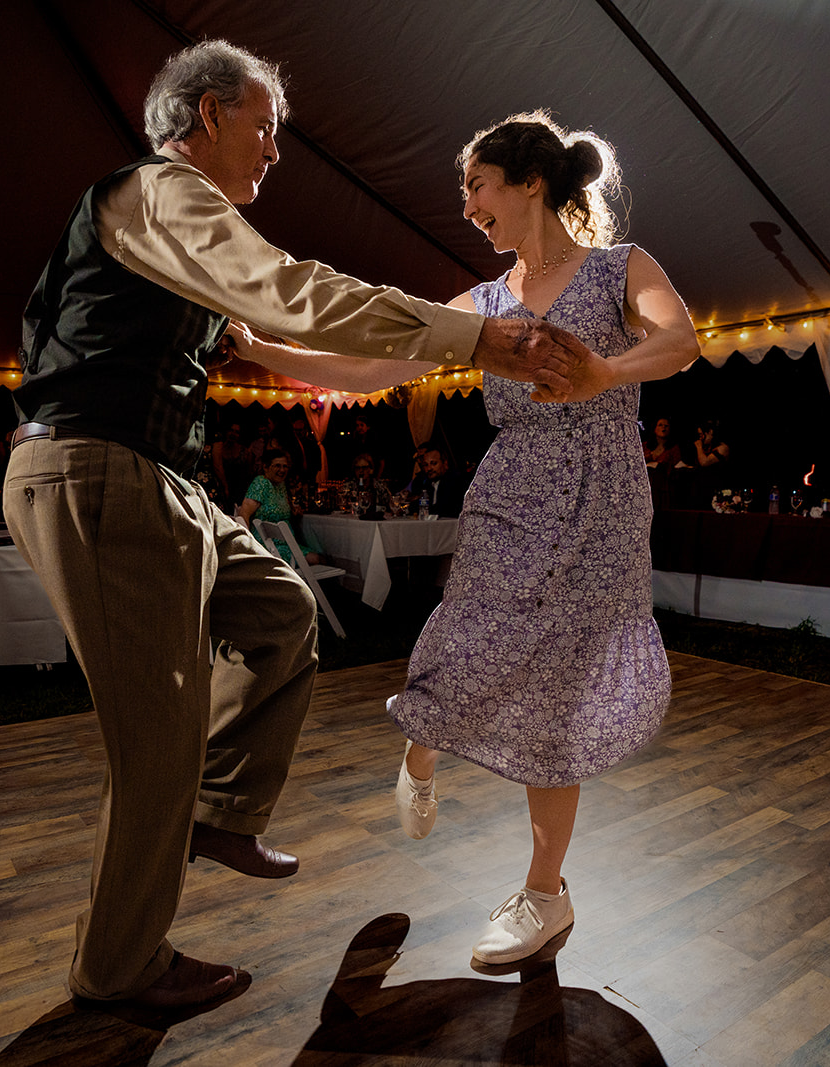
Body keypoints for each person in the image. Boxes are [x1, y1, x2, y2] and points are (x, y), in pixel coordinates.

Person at [3, 42, 600, 1013]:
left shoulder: (174, 249)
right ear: (204, 118)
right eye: (265, 125)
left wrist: (357, 353)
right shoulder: (163, 193)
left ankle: (219, 806)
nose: (276, 150)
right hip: (102, 470)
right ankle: (118, 966)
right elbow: (295, 289)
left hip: (156, 477)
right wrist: (477, 336)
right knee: (156, 740)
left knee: (283, 607)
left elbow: (289, 331)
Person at [231, 110, 699, 967]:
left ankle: (543, 895)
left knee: (558, 696)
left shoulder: (620, 269)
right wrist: (267, 350)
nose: (468, 208)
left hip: (603, 503)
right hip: (512, 494)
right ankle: (423, 747)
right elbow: (374, 366)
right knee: (465, 638)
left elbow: (680, 341)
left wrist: (607, 370)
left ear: (529, 183)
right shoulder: (479, 307)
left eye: (477, 186)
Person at [238, 448, 327, 563]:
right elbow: (243, 515)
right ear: (266, 467)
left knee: (323, 556)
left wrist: (293, 510)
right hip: (269, 548)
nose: (282, 470)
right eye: (277, 466)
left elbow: (281, 507)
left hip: (287, 544)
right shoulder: (261, 484)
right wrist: (248, 546)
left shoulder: (281, 485)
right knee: (319, 558)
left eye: (285, 466)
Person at [414, 446, 466, 518]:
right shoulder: (427, 484)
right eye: (426, 465)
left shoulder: (456, 482)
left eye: (434, 463)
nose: (429, 469)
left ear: (445, 464)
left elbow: (446, 509)